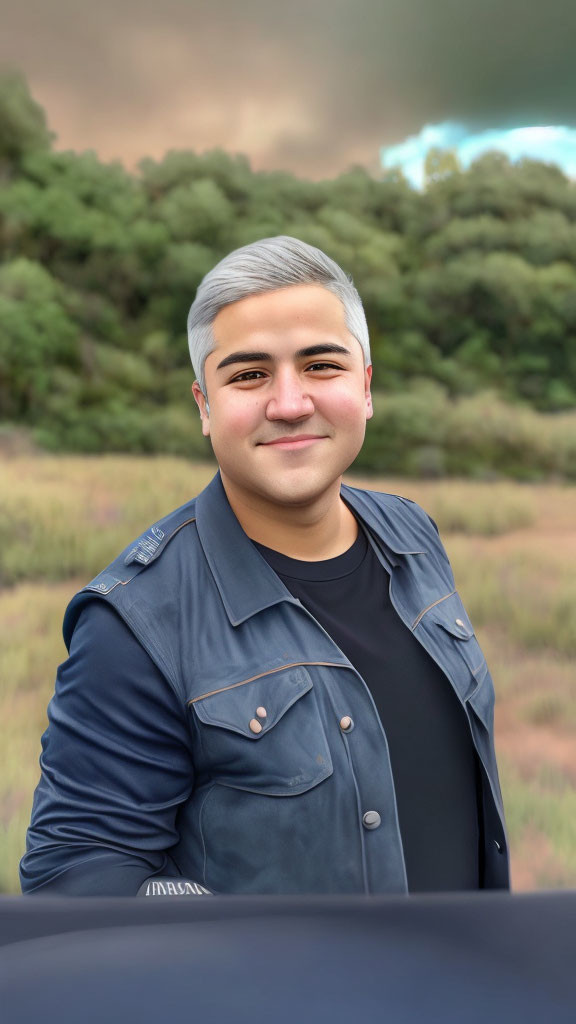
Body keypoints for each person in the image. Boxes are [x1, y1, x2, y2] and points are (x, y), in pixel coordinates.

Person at [20, 236, 509, 896]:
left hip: (467, 991)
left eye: (321, 366)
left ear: (364, 387)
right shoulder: (136, 624)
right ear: (204, 405)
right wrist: (219, 947)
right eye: (249, 375)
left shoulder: (411, 531)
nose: (288, 403)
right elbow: (73, 875)